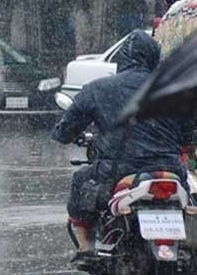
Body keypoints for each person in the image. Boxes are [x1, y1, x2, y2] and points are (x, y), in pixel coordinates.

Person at [52, 30, 195, 267]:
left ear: (122, 59)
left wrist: (65, 134)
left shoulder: (97, 89)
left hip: (117, 172)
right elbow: (190, 137)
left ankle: (86, 248)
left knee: (80, 181)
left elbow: (65, 132)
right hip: (171, 170)